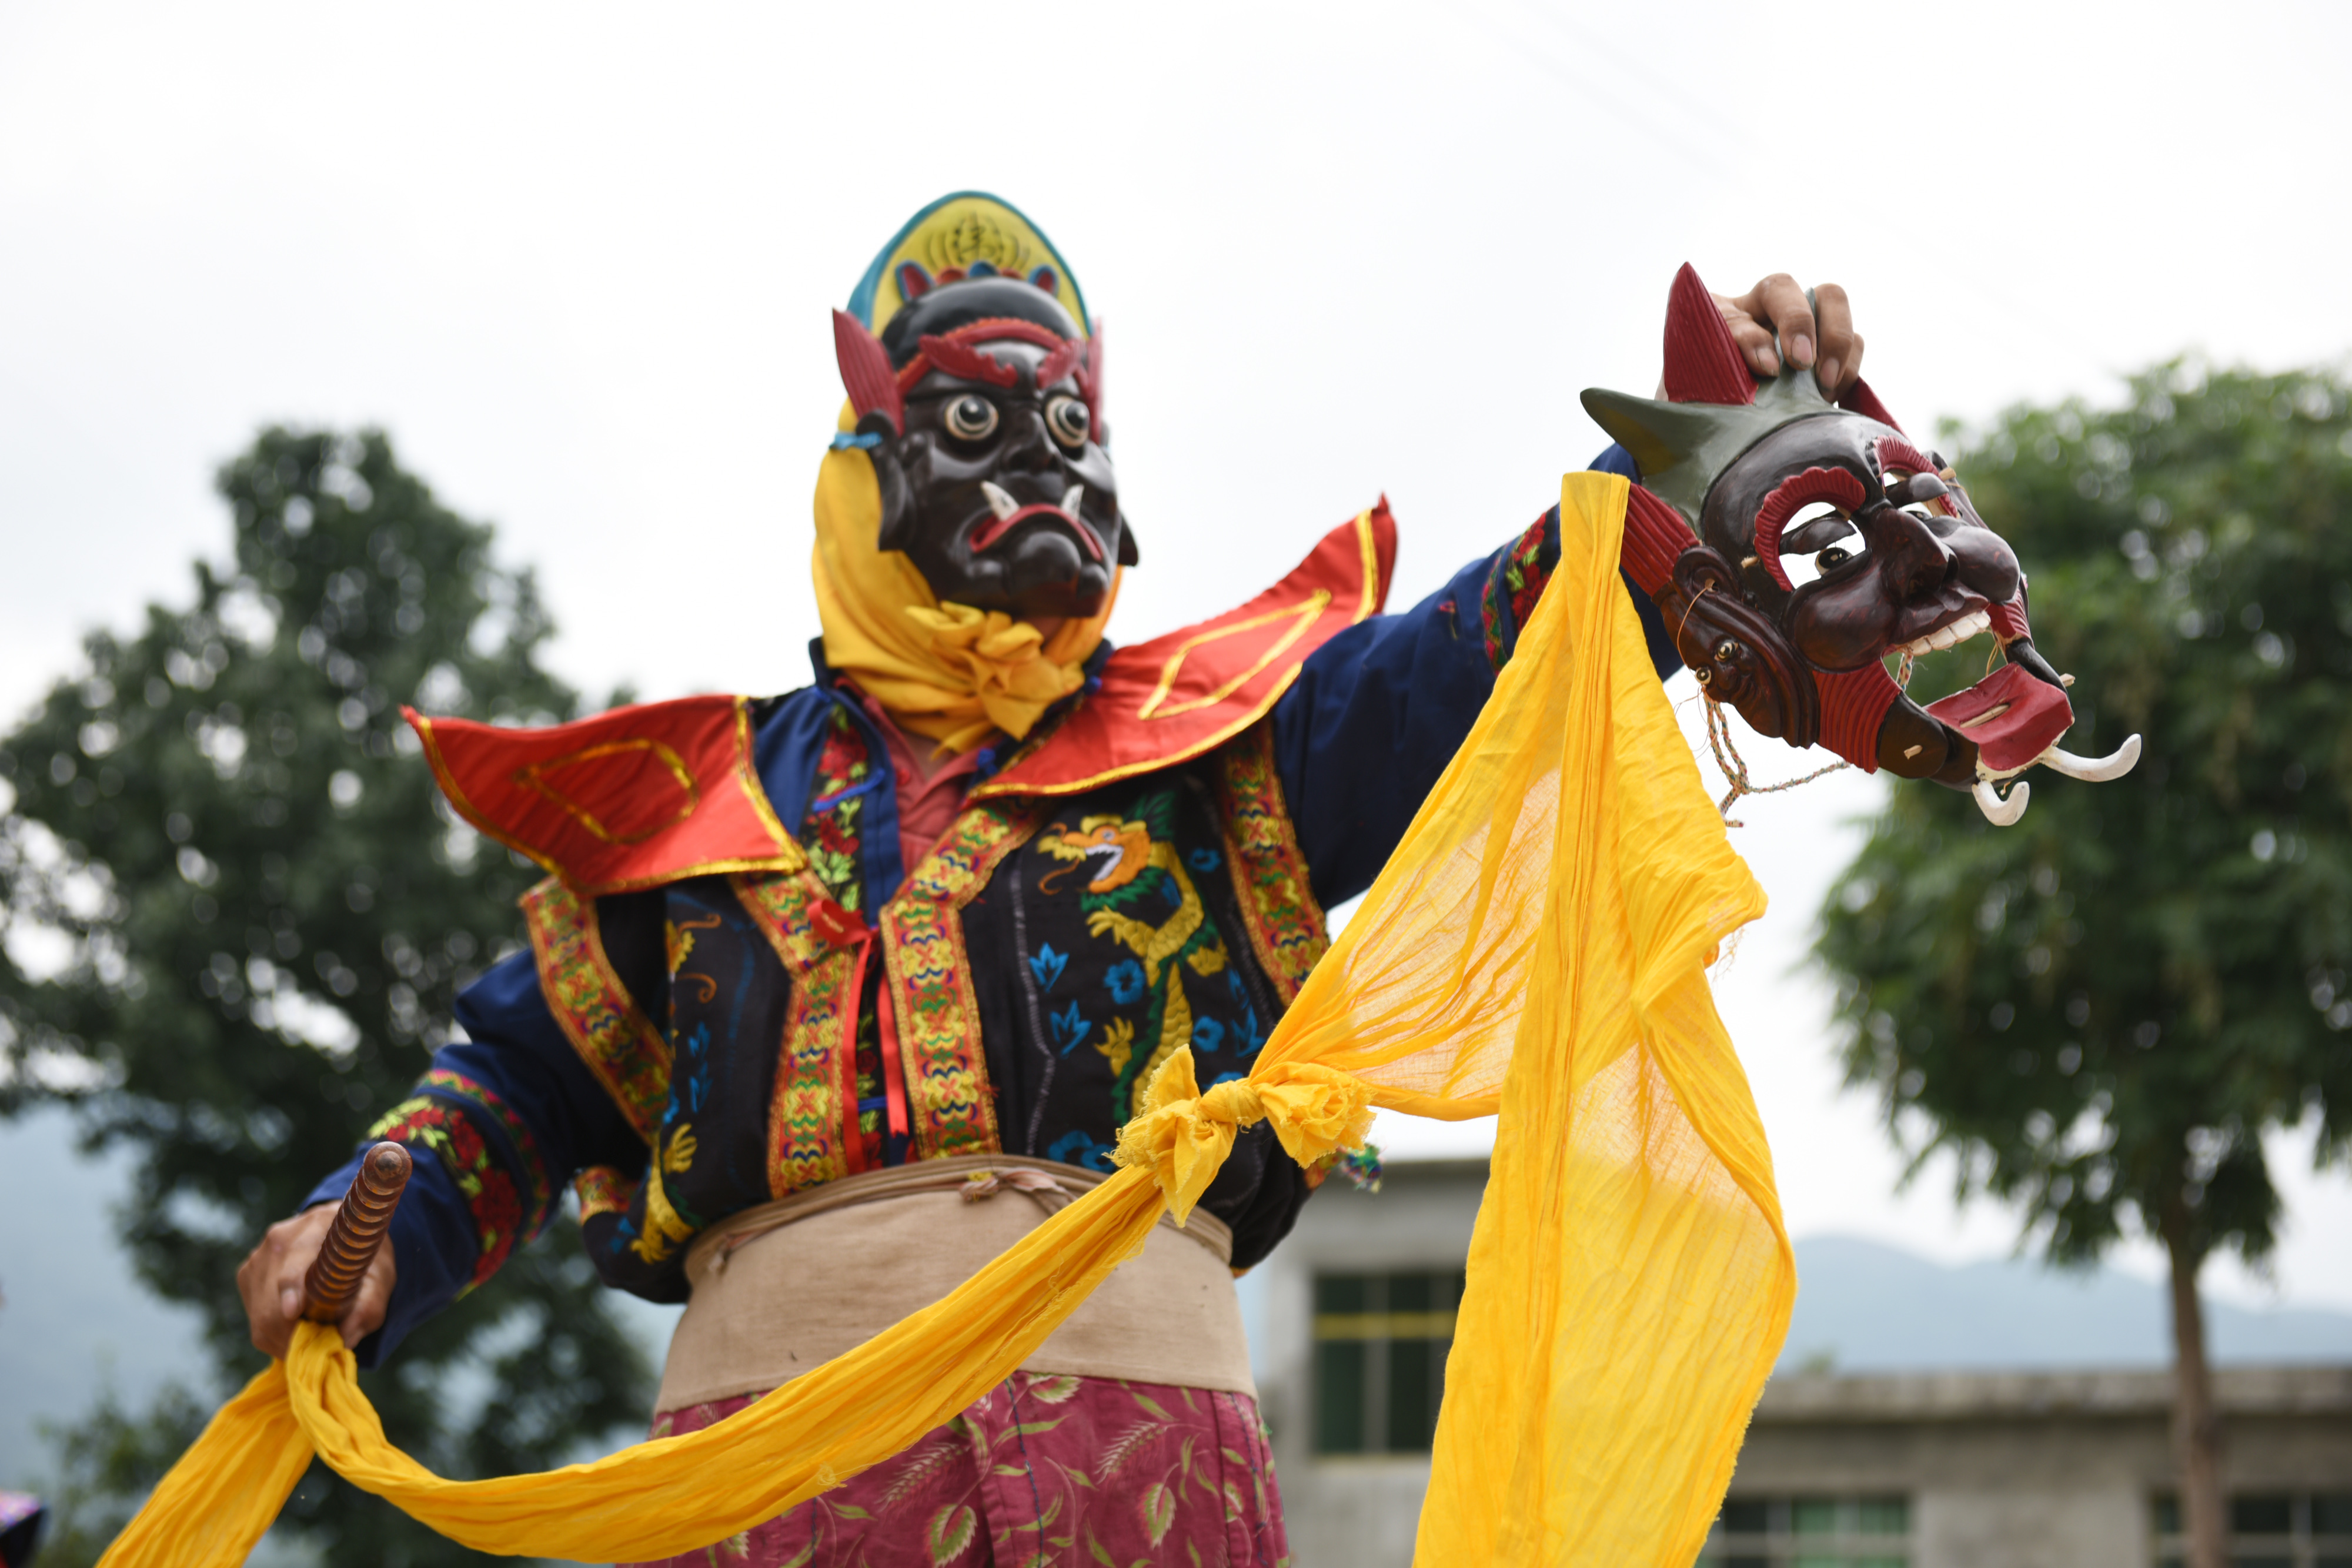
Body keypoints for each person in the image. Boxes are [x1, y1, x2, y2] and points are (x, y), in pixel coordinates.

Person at [236, 192, 1867, 1565]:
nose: (1038, 461)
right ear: (863, 473)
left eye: (1067, 421)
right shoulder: (706, 810)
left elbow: (1484, 662)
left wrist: (1695, 460)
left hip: (1141, 1474)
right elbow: (512, 1090)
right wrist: (368, 1226)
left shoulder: (1224, 751)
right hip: (769, 1488)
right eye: (969, 418)